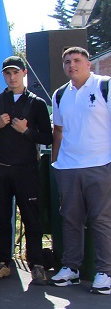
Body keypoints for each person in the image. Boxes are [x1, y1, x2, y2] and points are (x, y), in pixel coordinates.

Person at [0, 56, 53, 284]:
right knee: (2, 219)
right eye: (7, 73)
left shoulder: (37, 103)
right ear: (3, 75)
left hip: (26, 170)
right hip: (0, 169)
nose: (12, 77)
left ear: (24, 73)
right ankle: (2, 263)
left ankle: (37, 265)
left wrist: (27, 131)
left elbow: (48, 138)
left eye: (15, 73)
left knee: (32, 219)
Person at [49, 47, 111, 294]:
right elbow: (58, 131)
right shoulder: (60, 94)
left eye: (76, 60)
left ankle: (105, 271)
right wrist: (56, 165)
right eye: (67, 62)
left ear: (88, 64)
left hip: (101, 165)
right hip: (68, 168)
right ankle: (71, 268)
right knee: (71, 220)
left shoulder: (104, 86)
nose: (71, 65)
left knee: (101, 220)